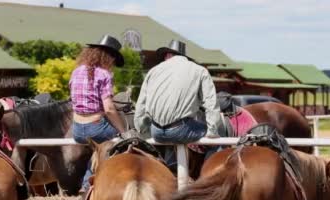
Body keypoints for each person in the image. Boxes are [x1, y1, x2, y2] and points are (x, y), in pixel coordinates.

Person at [134, 40, 222, 168]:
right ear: (184, 56)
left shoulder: (153, 71)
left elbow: (140, 106)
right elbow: (211, 104)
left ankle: (171, 168)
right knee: (218, 141)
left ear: (168, 55)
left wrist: (143, 130)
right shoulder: (199, 70)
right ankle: (211, 176)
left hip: (156, 131)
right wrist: (212, 132)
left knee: (171, 138)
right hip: (181, 129)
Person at [69, 34, 127, 191]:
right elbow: (108, 108)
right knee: (122, 144)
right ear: (108, 57)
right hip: (96, 127)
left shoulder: (76, 71)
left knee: (97, 151)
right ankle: (115, 184)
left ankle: (87, 182)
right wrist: (123, 131)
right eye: (113, 61)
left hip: (77, 129)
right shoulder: (103, 74)